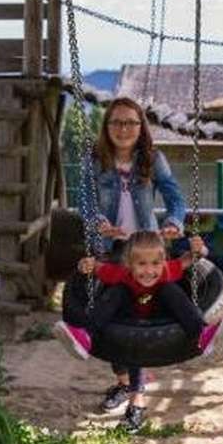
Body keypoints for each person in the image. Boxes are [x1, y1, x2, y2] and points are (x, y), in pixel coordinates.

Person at [77, 97, 190, 417]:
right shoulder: (95, 159)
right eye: (116, 122)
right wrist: (97, 220)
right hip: (108, 246)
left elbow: (175, 198)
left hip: (144, 249)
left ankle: (137, 396)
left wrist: (173, 222)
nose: (123, 129)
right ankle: (125, 381)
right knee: (111, 316)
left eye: (131, 123)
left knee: (138, 319)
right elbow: (84, 200)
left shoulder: (153, 159)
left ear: (141, 127)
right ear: (107, 127)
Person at [54, 230, 223, 431]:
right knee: (117, 291)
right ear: (130, 264)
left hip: (160, 315)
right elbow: (96, 268)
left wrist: (199, 249)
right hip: (127, 318)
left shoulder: (166, 271)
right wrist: (85, 265)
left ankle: (201, 334)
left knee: (169, 289)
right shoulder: (122, 273)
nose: (149, 271)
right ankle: (86, 337)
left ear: (163, 261)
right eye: (141, 264)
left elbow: (189, 259)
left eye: (155, 263)